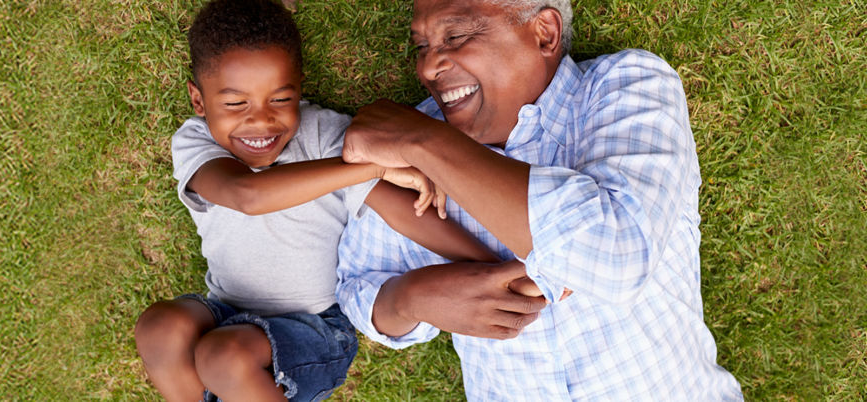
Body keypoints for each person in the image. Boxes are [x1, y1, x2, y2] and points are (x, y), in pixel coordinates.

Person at [336, 0, 744, 400]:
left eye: (456, 35)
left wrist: (425, 142)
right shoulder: (406, 148)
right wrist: (414, 297)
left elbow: (615, 258)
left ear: (544, 32)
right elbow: (360, 285)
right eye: (422, 47)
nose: (427, 68)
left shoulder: (627, 85)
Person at [132, 0, 496, 401]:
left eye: (280, 100)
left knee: (224, 356)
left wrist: (492, 264)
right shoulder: (195, 141)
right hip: (223, 311)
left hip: (315, 328)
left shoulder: (325, 135)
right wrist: (369, 167)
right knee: (159, 327)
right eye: (236, 104)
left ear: (299, 88)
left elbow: (404, 214)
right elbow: (245, 195)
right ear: (199, 102)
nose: (261, 122)